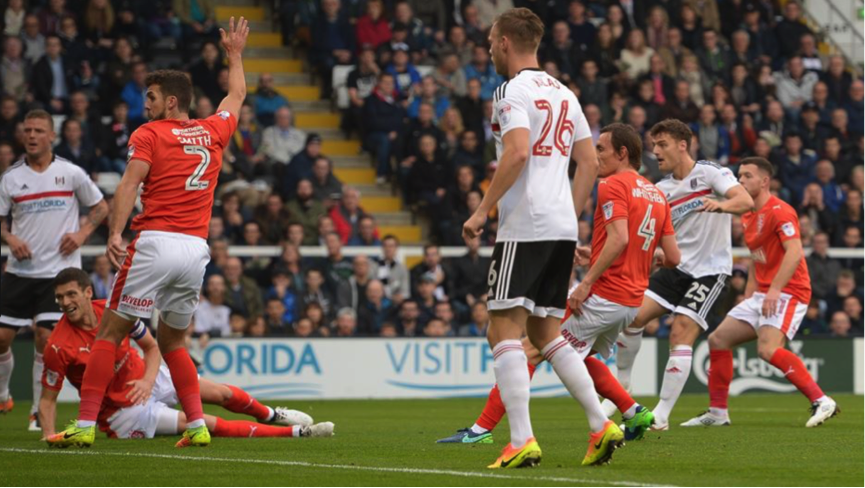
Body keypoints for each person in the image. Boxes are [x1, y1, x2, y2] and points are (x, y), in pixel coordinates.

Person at [47, 17, 249, 449]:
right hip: (196, 250)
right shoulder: (214, 130)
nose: (147, 103)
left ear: (172, 101)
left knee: (109, 333)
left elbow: (128, 184)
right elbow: (237, 94)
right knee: (174, 339)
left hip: (155, 242)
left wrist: (115, 232)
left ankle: (83, 426)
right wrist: (235, 56)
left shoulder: (150, 134)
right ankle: (196, 425)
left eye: (152, 96)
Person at [440, 123, 681, 446]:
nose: (595, 156)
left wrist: (586, 283)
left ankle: (481, 430)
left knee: (528, 350)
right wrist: (610, 256)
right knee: (577, 358)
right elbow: (673, 257)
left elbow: (620, 237)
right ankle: (632, 410)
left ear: (622, 153)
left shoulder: (611, 185)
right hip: (631, 301)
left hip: (602, 294)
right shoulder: (656, 194)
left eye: (601, 149)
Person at [460, 8, 620, 469]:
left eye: (492, 41)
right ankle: (600, 425)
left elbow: (516, 151)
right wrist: (566, 222)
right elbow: (588, 163)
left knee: (502, 329)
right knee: (547, 331)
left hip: (524, 225)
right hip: (559, 225)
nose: (489, 49)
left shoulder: (511, 90)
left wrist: (481, 210)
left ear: (506, 42)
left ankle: (521, 439)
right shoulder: (566, 93)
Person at [40, 268, 332, 442]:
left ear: (88, 292)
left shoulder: (115, 312)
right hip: (123, 412)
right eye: (60, 298)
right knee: (206, 424)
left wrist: (147, 379)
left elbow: (152, 347)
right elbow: (48, 399)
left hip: (147, 378)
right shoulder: (58, 344)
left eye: (71, 295)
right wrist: (49, 436)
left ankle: (272, 414)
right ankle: (297, 434)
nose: (65, 303)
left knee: (219, 393)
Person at [610, 119, 754, 430]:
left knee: (680, 330)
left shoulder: (710, 173)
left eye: (662, 145)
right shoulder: (660, 190)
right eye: (654, 145)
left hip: (710, 270)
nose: (656, 151)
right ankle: (622, 388)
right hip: (677, 267)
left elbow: (745, 200)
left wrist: (720, 205)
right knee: (631, 318)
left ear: (682, 145)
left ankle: (660, 415)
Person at [682, 157, 839, 428]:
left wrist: (775, 290)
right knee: (718, 339)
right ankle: (718, 413)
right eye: (739, 175)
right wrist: (751, 294)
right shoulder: (747, 213)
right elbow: (759, 257)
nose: (740, 181)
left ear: (764, 181)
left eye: (747, 176)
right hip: (763, 293)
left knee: (767, 350)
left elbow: (795, 252)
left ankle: (821, 400)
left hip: (789, 291)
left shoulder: (780, 210)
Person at [0, 110, 108, 429]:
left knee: (45, 339)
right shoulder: (10, 178)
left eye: (38, 130)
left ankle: (37, 411)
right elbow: (1, 221)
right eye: (27, 130)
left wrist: (82, 234)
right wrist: (9, 237)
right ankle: (4, 393)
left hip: (59, 274)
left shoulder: (70, 172)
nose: (32, 135)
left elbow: (101, 207)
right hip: (20, 271)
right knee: (2, 339)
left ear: (52, 136)